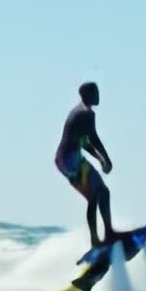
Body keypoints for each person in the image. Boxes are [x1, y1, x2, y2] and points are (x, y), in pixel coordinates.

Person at [55, 82, 115, 248]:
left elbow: (84, 142)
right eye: (95, 93)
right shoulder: (86, 113)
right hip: (69, 159)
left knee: (101, 192)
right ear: (87, 95)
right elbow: (93, 139)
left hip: (66, 159)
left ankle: (105, 235)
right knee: (96, 193)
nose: (98, 96)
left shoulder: (79, 111)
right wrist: (106, 159)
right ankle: (100, 239)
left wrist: (100, 158)